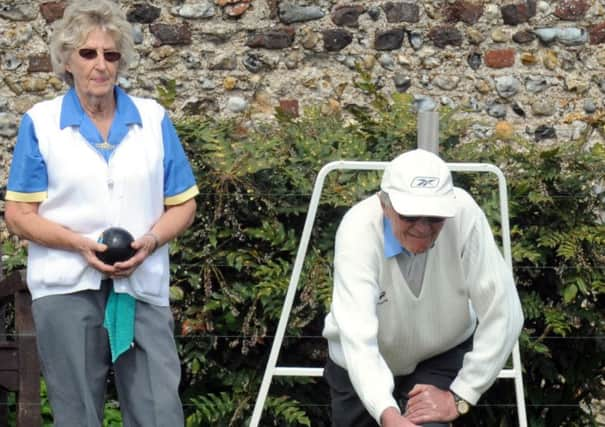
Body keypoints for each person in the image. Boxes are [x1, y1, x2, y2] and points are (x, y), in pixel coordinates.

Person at [4, 1, 198, 426]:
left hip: (141, 285)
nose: (100, 65)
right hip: (66, 285)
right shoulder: (41, 122)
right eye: (88, 54)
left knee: (160, 411)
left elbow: (183, 203)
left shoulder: (153, 118)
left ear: (121, 61)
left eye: (110, 55)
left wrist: (149, 242)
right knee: (78, 414)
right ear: (67, 60)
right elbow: (19, 213)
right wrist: (78, 243)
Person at [322, 149, 524, 427]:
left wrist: (461, 396)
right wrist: (388, 414)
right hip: (360, 364)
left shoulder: (464, 213)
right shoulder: (358, 229)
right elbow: (357, 337)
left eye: (435, 216)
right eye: (410, 214)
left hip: (440, 354)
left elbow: (504, 309)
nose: (423, 227)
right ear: (385, 204)